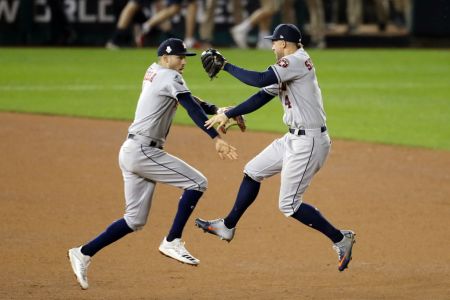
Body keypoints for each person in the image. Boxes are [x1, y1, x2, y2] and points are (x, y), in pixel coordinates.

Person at [68, 38, 238, 290]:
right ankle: (173, 240)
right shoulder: (170, 77)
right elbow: (190, 106)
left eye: (185, 58)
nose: (183, 62)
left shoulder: (155, 71)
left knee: (134, 220)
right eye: (180, 57)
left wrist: (215, 109)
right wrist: (216, 138)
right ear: (166, 57)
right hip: (143, 152)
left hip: (132, 150)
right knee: (197, 182)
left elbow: (187, 98)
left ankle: (83, 252)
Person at [196, 24, 356, 272]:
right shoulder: (289, 67)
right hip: (293, 138)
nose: (271, 46)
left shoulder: (296, 61)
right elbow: (261, 95)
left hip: (309, 143)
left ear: (284, 43)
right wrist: (230, 113)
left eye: (274, 42)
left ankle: (340, 238)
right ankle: (227, 225)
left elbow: (259, 78)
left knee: (289, 205)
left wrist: (226, 65)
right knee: (252, 171)